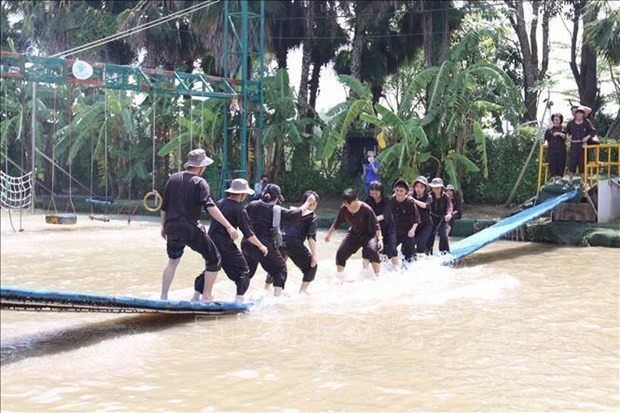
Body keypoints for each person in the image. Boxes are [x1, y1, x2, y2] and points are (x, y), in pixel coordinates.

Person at [159, 149, 238, 302]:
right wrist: (229, 226)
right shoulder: (200, 182)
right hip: (190, 228)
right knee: (214, 259)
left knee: (173, 260)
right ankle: (206, 295)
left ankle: (163, 296)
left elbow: (164, 206)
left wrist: (163, 226)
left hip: (172, 227)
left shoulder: (173, 179)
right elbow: (210, 207)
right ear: (201, 166)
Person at [193, 179, 269, 303]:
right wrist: (261, 246)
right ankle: (238, 301)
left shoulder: (219, 203)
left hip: (210, 242)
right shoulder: (239, 209)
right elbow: (249, 234)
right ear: (242, 194)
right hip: (224, 245)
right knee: (244, 272)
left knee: (212, 268)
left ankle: (196, 296)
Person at [242, 184, 316, 297]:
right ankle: (275, 300)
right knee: (280, 270)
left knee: (248, 273)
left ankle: (238, 297)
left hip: (247, 243)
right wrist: (308, 203)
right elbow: (295, 215)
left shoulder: (251, 205)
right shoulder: (276, 210)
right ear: (276, 198)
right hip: (264, 246)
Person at [265, 191, 320, 294]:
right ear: (314, 203)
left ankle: (266, 289)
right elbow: (311, 237)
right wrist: (314, 255)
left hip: (279, 240)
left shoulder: (291, 210)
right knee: (312, 266)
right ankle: (302, 292)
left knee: (277, 266)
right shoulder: (312, 216)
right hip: (293, 242)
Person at [324, 188, 383, 280]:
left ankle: (378, 276)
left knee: (372, 250)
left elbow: (376, 225)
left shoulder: (366, 209)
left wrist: (380, 239)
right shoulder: (344, 208)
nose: (346, 206)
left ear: (356, 200)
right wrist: (329, 234)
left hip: (368, 235)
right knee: (341, 252)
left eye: (348, 203)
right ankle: (340, 278)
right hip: (354, 233)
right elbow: (337, 222)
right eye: (345, 203)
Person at [364, 181, 397, 267]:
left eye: (376, 193)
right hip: (375, 228)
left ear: (381, 192)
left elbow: (385, 215)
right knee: (370, 249)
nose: (374, 196)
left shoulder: (387, 201)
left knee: (392, 249)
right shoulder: (367, 201)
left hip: (389, 227)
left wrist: (372, 220)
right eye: (372, 193)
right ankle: (367, 270)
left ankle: (396, 269)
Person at [389, 179, 420, 265]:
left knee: (409, 254)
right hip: (396, 230)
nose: (399, 193)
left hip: (408, 230)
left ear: (406, 191)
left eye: (401, 191)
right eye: (397, 190)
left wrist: (412, 230)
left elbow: (416, 219)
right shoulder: (392, 200)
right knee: (389, 249)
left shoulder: (410, 202)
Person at [566, 106, 597, 186]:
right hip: (573, 145)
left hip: (583, 146)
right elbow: (567, 131)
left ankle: (582, 181)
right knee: (572, 163)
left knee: (582, 163)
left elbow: (593, 131)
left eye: (581, 113)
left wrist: (587, 137)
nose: (579, 115)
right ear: (575, 114)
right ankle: (570, 181)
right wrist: (568, 136)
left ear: (583, 115)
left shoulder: (586, 122)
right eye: (577, 113)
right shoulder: (570, 123)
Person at [426, 178, 453, 254]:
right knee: (430, 235)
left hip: (442, 219)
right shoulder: (429, 196)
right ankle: (428, 252)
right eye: (434, 188)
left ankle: (445, 252)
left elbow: (449, 206)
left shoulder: (445, 197)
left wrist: (449, 213)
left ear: (441, 188)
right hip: (431, 218)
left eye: (438, 188)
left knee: (443, 235)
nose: (436, 190)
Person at [410, 176, 433, 254]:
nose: (418, 189)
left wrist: (414, 201)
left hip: (426, 225)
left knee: (421, 245)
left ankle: (425, 259)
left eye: (421, 187)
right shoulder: (411, 195)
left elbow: (425, 205)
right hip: (414, 225)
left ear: (425, 188)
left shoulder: (429, 197)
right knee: (409, 245)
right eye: (417, 186)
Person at [544, 113, 568, 185]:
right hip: (551, 149)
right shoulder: (549, 129)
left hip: (561, 149)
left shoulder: (564, 128)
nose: (556, 121)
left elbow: (566, 137)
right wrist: (546, 143)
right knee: (552, 163)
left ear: (560, 120)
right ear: (553, 120)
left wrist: (559, 134)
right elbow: (546, 139)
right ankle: (553, 180)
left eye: (558, 119)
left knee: (561, 163)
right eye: (555, 119)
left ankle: (560, 179)